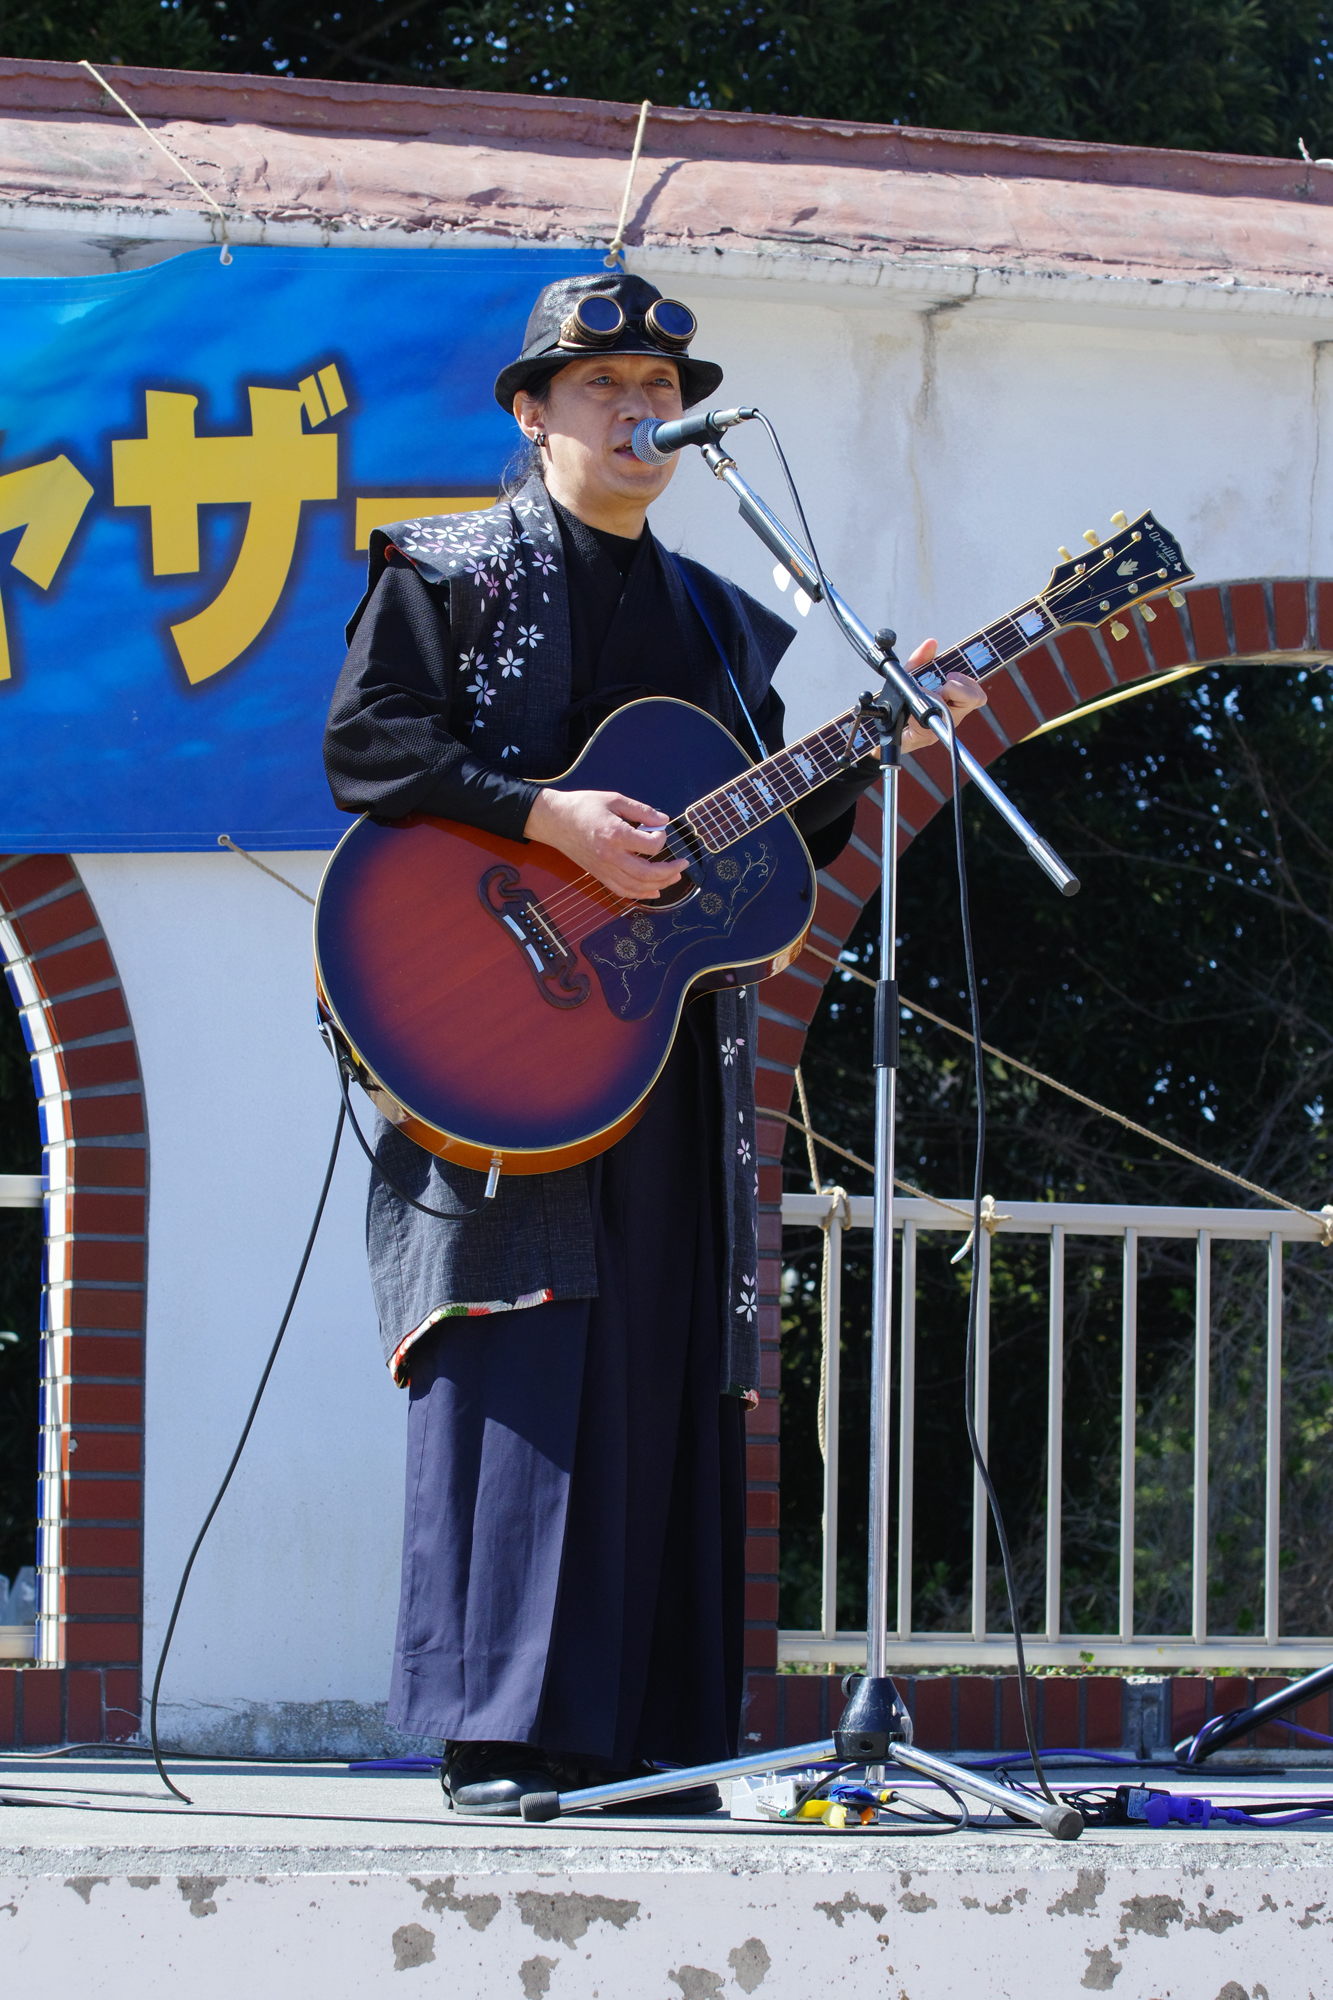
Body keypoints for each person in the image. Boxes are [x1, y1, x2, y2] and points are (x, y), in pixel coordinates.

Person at [323, 272, 985, 1816]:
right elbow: (370, 745)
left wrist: (874, 746)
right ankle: (503, 1735)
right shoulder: (443, 569)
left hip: (657, 1041)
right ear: (531, 411)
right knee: (522, 1340)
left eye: (660, 387)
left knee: (661, 1356)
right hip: (495, 1020)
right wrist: (544, 818)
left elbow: (756, 854)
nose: (639, 409)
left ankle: (653, 1742)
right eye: (601, 384)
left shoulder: (716, 621)